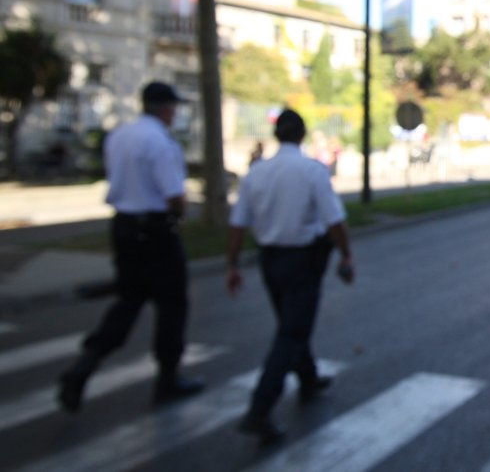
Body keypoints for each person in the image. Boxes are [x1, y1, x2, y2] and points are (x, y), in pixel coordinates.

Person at [58, 81, 206, 412]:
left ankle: (85, 365)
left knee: (128, 301)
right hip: (156, 230)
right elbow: (174, 194)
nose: (174, 114)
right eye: (173, 108)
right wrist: (178, 216)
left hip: (124, 227)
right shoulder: (161, 142)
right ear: (165, 109)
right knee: (172, 305)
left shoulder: (119, 135)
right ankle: (168, 376)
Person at [226, 108, 355, 444]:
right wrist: (346, 254)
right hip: (303, 260)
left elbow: (238, 224)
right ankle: (260, 408)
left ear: (276, 135)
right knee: (292, 330)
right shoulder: (312, 170)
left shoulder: (256, 173)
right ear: (301, 135)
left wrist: (232, 264)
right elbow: (334, 220)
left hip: (270, 260)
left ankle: (308, 377)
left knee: (290, 320)